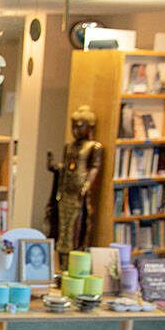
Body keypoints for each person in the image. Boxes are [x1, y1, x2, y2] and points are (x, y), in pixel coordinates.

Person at [45, 104, 103, 268]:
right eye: (73, 127)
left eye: (80, 126)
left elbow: (94, 167)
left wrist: (86, 185)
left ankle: (73, 264)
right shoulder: (69, 146)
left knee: (76, 228)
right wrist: (54, 167)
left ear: (89, 126)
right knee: (62, 228)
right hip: (65, 192)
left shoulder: (93, 147)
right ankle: (61, 263)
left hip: (78, 193)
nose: (75, 130)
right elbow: (66, 167)